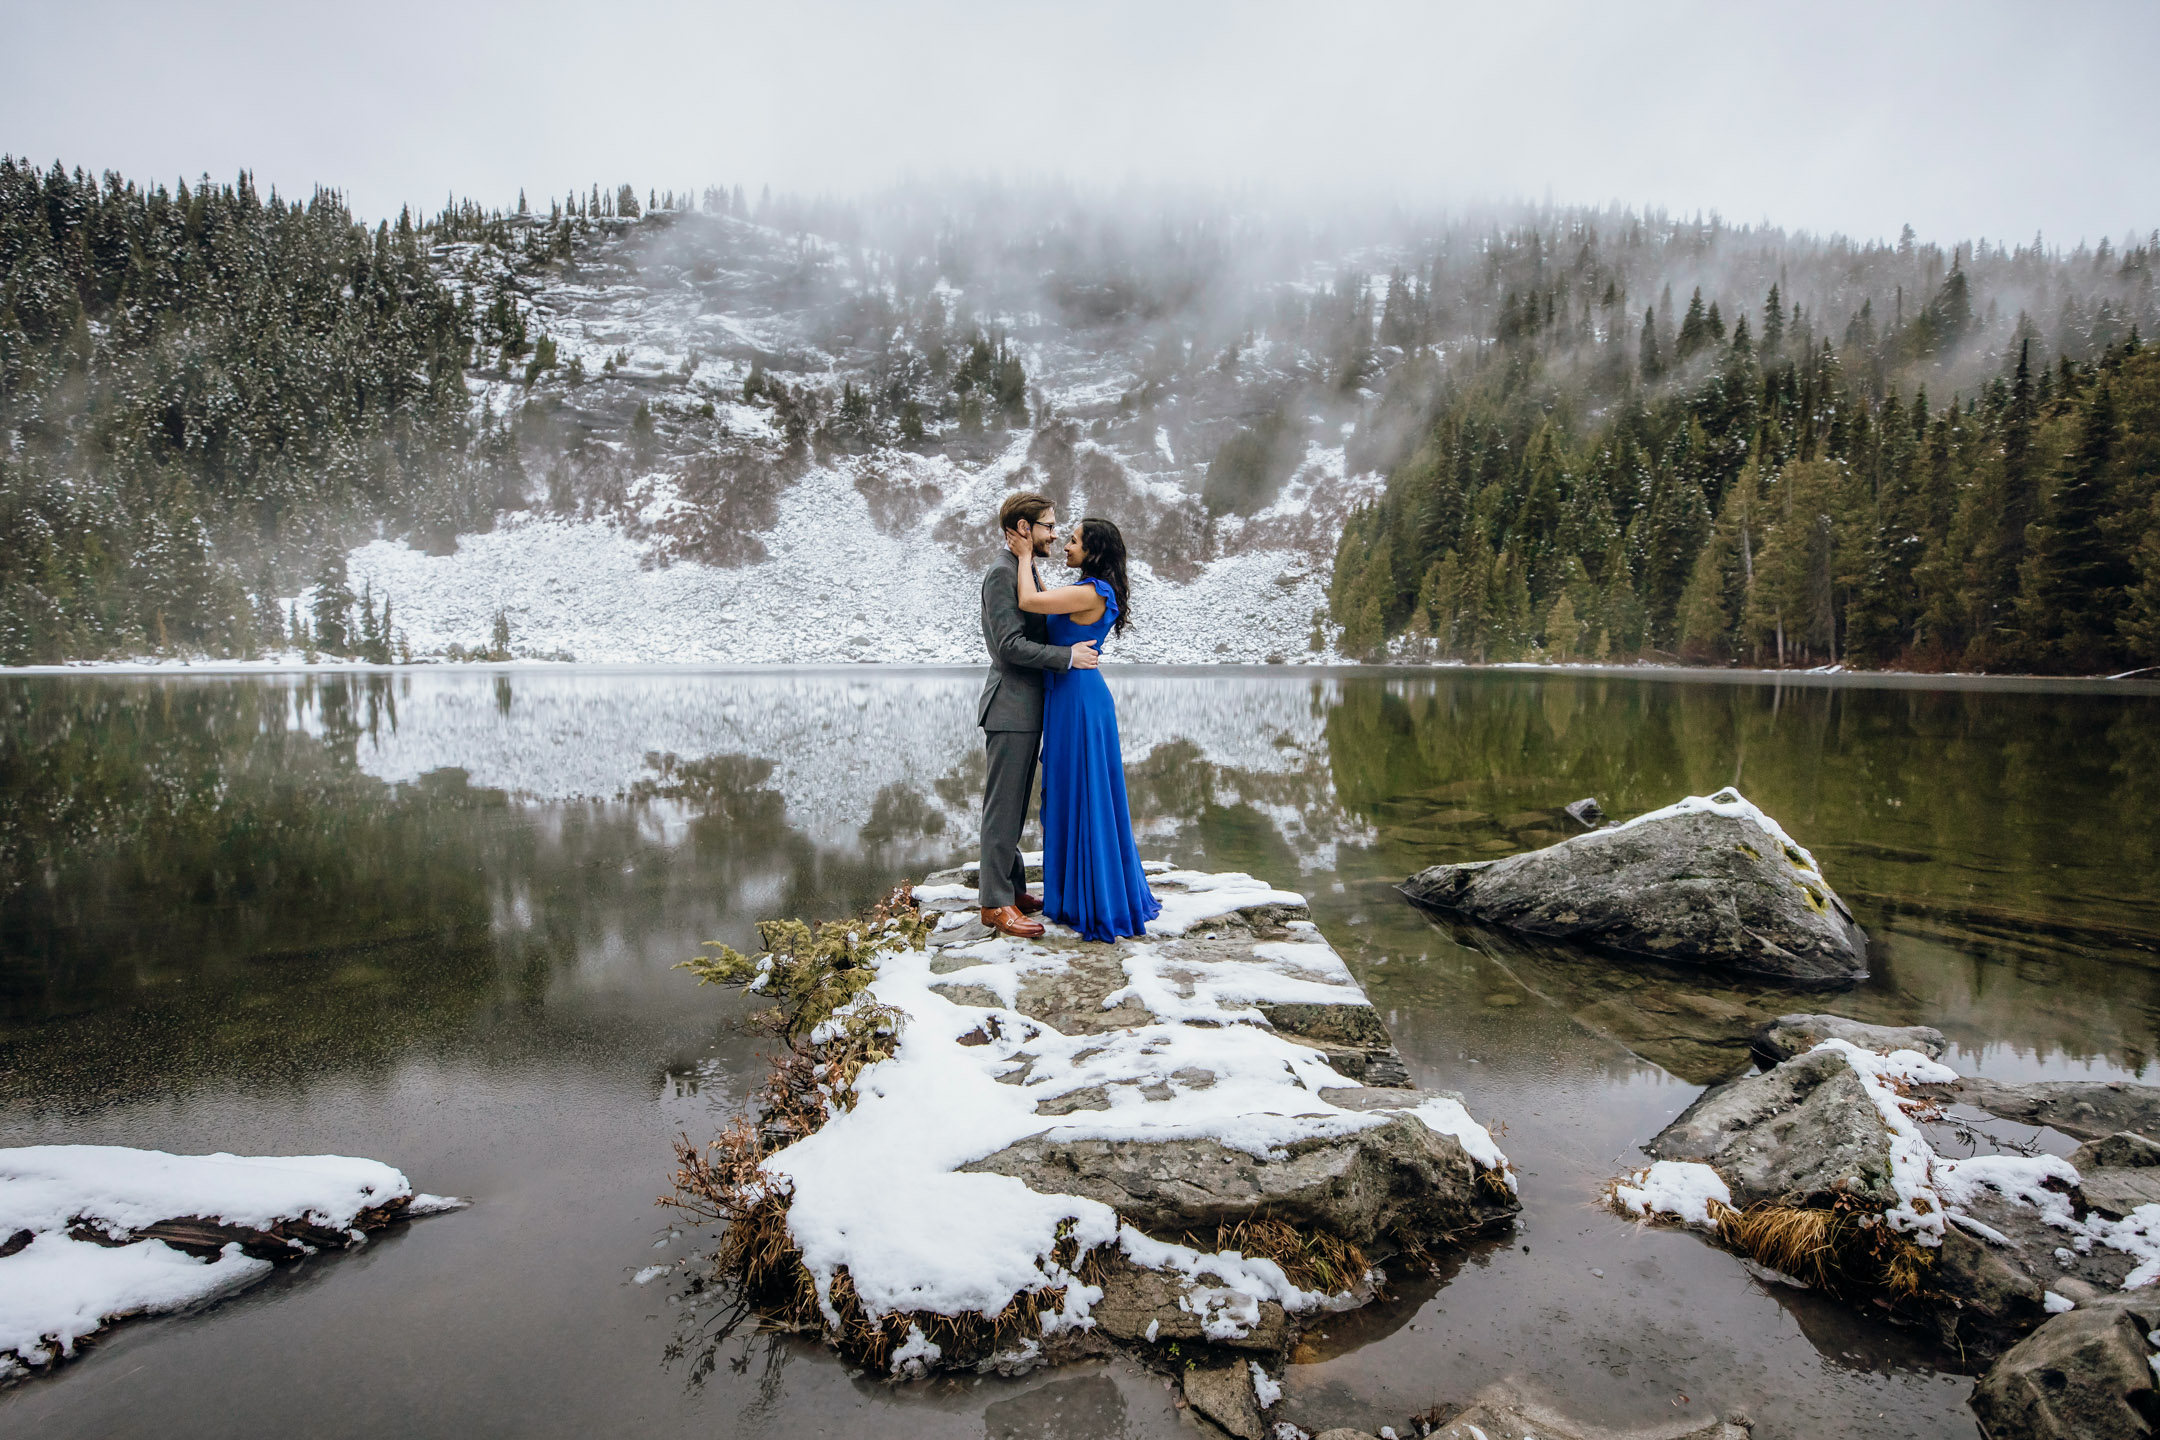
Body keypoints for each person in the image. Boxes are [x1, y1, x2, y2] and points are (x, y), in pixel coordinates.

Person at [1009, 515, 1161, 943]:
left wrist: (1023, 555)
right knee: (1071, 794)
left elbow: (1026, 600)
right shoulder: (1091, 590)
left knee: (1083, 795)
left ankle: (1091, 899)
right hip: (1071, 699)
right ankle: (1078, 895)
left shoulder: (1091, 591)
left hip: (1078, 701)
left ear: (1093, 552)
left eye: (1073, 541)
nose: (1066, 546)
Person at [977, 492, 1098, 938]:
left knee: (1014, 804)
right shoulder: (1001, 573)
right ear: (1024, 528)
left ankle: (1012, 888)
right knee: (1002, 808)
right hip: (1010, 707)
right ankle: (994, 904)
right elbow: (1009, 646)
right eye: (1047, 525)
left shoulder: (1023, 569)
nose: (1054, 533)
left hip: (1027, 708)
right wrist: (1067, 657)